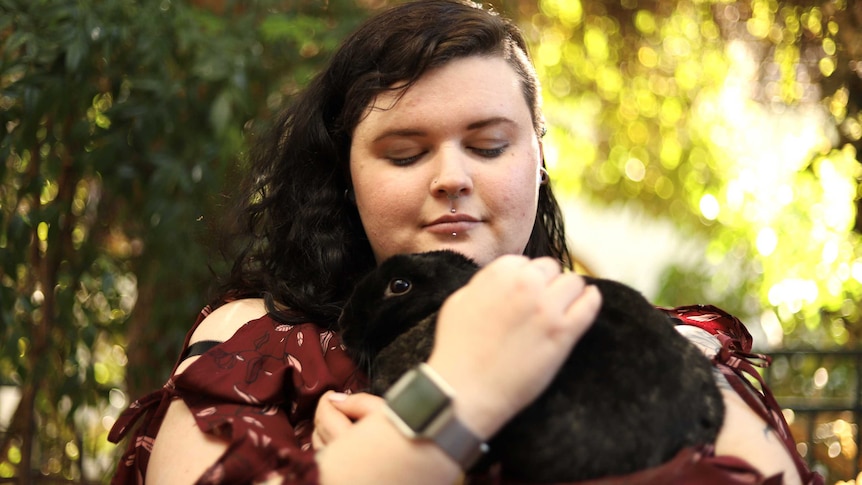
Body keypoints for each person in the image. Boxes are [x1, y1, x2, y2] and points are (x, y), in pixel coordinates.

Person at [108, 1, 822, 484]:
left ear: (538, 160)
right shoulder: (259, 342)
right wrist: (457, 397)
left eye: (487, 145)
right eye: (404, 152)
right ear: (345, 176)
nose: (452, 177)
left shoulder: (666, 345)